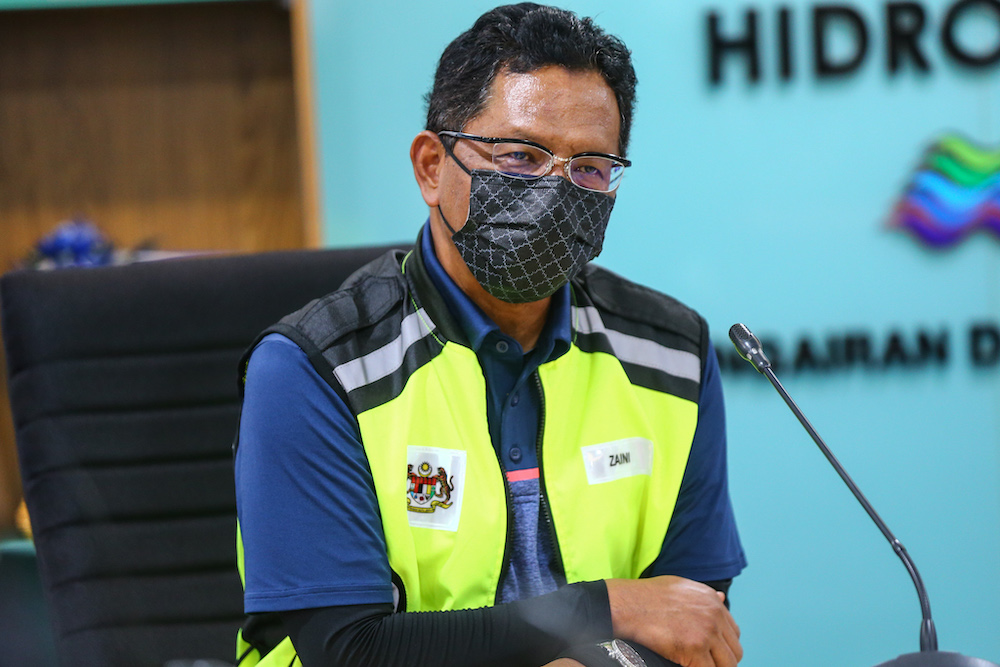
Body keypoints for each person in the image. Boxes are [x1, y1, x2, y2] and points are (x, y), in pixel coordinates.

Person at [233, 4, 747, 666]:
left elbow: (693, 617)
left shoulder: (670, 352)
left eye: (590, 166)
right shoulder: (315, 370)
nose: (557, 190)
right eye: (521, 156)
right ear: (430, 166)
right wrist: (604, 607)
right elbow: (350, 650)